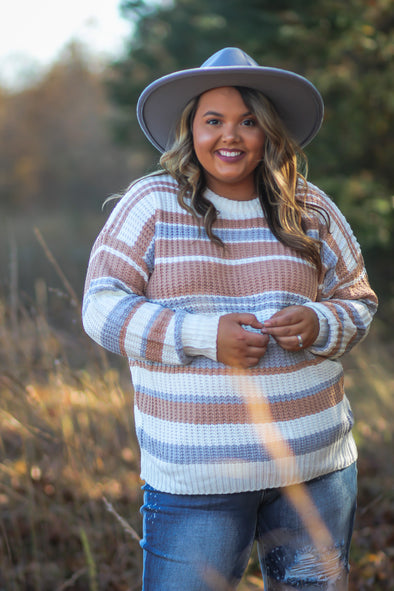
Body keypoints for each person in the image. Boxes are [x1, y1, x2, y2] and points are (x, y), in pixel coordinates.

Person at [82, 48, 378, 590]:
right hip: (198, 477)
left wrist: (321, 323)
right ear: (189, 130)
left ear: (270, 132)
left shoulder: (309, 209)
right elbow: (100, 307)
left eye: (248, 122)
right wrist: (201, 336)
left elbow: (358, 299)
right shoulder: (152, 204)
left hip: (316, 467)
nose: (230, 136)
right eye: (212, 121)